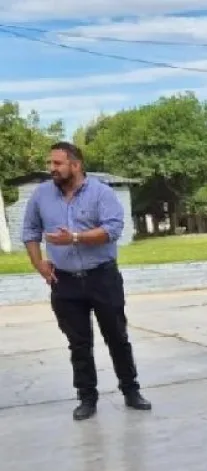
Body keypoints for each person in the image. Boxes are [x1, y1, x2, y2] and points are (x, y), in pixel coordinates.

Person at [21, 141, 152, 421]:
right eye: (50, 164)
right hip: (64, 282)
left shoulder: (101, 193)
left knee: (117, 337)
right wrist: (39, 263)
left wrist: (76, 238)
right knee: (78, 343)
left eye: (57, 164)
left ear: (76, 165)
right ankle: (87, 398)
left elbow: (113, 229)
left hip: (101, 277)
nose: (51, 169)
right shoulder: (41, 195)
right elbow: (30, 230)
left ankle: (131, 390)